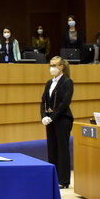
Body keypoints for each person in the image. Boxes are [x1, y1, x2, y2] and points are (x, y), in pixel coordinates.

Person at [41, 56, 74, 189]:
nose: (52, 68)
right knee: (52, 148)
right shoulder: (49, 83)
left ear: (61, 67)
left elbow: (64, 103)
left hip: (62, 119)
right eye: (51, 65)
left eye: (54, 65)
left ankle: (63, 180)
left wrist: (52, 117)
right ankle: (53, 177)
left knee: (62, 149)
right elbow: (43, 100)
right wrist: (44, 116)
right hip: (50, 120)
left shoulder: (67, 82)